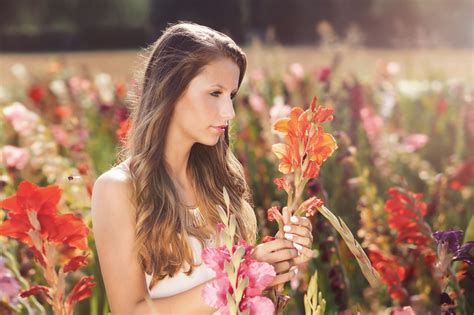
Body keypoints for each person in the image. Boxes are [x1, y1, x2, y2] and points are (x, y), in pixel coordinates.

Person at [91, 21, 314, 315]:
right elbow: (129, 311)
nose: (229, 112)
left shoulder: (220, 183)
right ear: (170, 90)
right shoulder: (118, 188)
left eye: (231, 95)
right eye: (215, 93)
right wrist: (243, 274)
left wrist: (281, 258)